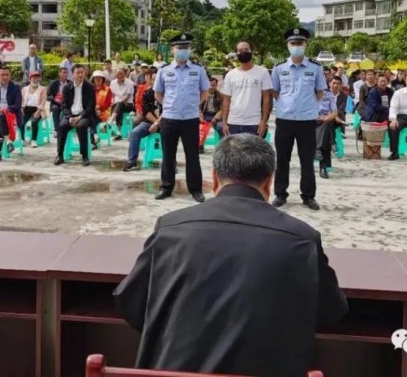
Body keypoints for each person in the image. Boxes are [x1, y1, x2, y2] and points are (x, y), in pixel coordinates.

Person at [114, 134, 348, 376]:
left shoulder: (170, 228)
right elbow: (331, 311)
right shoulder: (303, 240)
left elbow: (131, 303)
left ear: (214, 179)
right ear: (269, 183)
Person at [271, 27, 327, 210]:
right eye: (293, 43)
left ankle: (308, 196)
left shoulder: (316, 68)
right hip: (285, 120)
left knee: (307, 161)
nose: (296, 46)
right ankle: (280, 194)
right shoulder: (279, 68)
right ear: (288, 45)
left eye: (299, 43)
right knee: (282, 160)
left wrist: (306, 107)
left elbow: (319, 92)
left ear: (306, 44)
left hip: (306, 121)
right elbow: (275, 92)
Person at [153, 33, 210, 202]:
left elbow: (205, 92)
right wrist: (171, 106)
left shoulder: (198, 70)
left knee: (192, 155)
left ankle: (195, 189)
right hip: (170, 118)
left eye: (186, 47)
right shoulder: (164, 71)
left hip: (190, 119)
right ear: (172, 50)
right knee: (168, 155)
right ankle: (166, 187)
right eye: (179, 47)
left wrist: (193, 106)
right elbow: (158, 93)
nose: (183, 51)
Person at [221, 40, 272, 136]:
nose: (243, 52)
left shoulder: (263, 72)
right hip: (233, 123)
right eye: (240, 50)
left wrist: (263, 121)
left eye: (246, 49)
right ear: (236, 53)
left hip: (254, 123)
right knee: (234, 151)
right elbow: (226, 100)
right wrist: (224, 122)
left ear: (252, 51)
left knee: (253, 151)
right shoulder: (230, 75)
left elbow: (266, 98)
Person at [55, 64, 95, 166]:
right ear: (72, 75)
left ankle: (84, 156)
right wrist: (70, 117)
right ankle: (60, 155)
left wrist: (80, 117)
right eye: (78, 73)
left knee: (81, 126)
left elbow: (90, 107)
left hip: (84, 115)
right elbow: (64, 106)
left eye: (82, 72)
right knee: (62, 126)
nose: (80, 75)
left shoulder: (90, 87)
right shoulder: (67, 88)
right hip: (70, 115)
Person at [123, 68, 161, 171]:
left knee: (171, 135)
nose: (154, 81)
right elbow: (147, 113)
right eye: (152, 79)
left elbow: (169, 111)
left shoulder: (167, 92)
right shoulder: (147, 93)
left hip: (166, 122)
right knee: (135, 132)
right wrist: (156, 122)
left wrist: (158, 123)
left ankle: (171, 163)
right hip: (150, 122)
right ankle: (132, 162)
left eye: (156, 78)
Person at [0, 67, 23, 154]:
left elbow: (17, 105)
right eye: (2, 75)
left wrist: (3, 110)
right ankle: (8, 141)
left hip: (12, 114)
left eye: (7, 75)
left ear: (10, 76)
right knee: (1, 117)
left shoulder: (16, 87)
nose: (5, 77)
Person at [316, 80, 343, 179]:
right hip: (311, 120)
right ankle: (332, 143)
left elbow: (334, 111)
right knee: (326, 131)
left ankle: (318, 150)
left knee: (326, 126)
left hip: (326, 120)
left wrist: (327, 117)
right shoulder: (308, 93)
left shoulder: (329, 94)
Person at [21, 70, 47, 147]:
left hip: (37, 109)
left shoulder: (42, 89)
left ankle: (33, 140)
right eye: (33, 77)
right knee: (21, 121)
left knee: (34, 122)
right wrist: (21, 109)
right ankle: (22, 139)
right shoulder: (24, 89)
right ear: (30, 79)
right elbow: (21, 100)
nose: (35, 79)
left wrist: (38, 111)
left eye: (37, 77)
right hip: (26, 108)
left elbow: (43, 101)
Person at [109, 68, 135, 140]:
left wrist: (119, 101)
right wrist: (113, 102)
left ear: (125, 74)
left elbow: (127, 97)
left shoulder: (130, 83)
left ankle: (111, 121)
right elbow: (112, 95)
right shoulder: (113, 83)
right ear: (115, 75)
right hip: (118, 104)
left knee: (119, 105)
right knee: (117, 107)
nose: (120, 76)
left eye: (122, 74)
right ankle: (119, 133)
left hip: (128, 104)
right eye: (118, 74)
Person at [199, 77, 224, 152]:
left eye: (214, 85)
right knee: (198, 127)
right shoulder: (202, 94)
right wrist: (200, 116)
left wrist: (216, 118)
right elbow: (198, 107)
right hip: (205, 115)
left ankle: (221, 147)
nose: (212, 87)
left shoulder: (221, 96)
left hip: (216, 115)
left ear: (216, 85)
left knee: (221, 127)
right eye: (210, 85)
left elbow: (222, 109)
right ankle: (200, 146)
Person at [90, 70, 113, 147]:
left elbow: (108, 103)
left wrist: (99, 108)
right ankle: (94, 136)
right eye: (96, 78)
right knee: (90, 117)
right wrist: (95, 109)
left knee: (91, 118)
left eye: (100, 78)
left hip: (104, 112)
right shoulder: (90, 88)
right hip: (93, 111)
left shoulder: (107, 89)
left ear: (103, 79)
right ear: (93, 79)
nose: (98, 79)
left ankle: (92, 139)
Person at [47, 66, 71, 136]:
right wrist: (55, 99)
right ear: (59, 74)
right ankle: (56, 130)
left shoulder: (70, 83)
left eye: (66, 73)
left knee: (69, 110)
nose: (65, 74)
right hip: (56, 103)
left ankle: (65, 129)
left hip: (67, 103)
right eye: (64, 73)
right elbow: (48, 96)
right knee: (55, 109)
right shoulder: (53, 83)